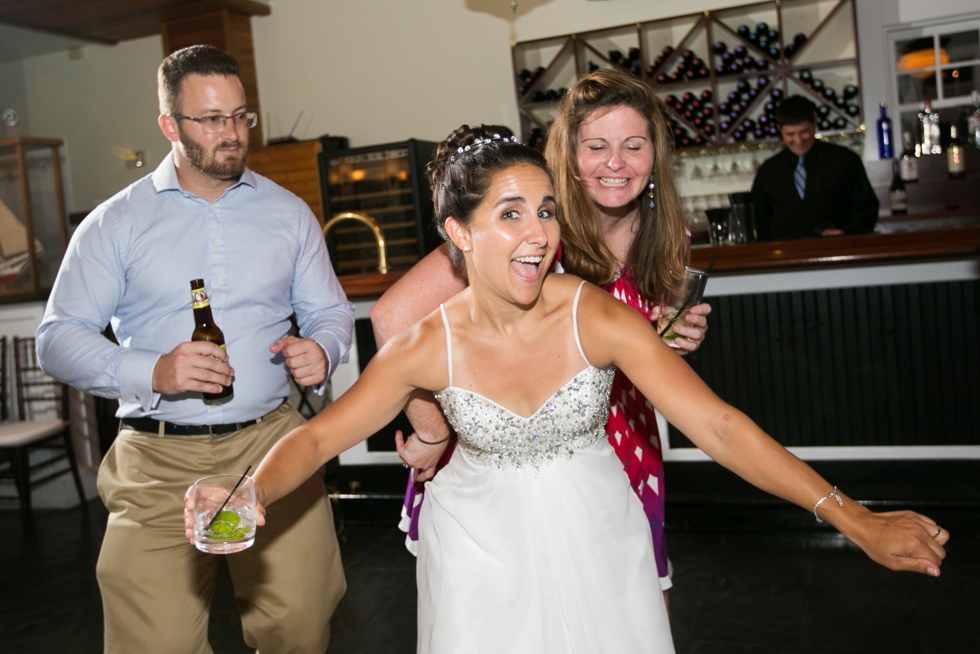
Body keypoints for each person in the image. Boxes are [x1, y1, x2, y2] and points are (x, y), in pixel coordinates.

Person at [208, 125, 947, 654]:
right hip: (475, 549)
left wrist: (856, 522)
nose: (540, 233)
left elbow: (717, 426)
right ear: (457, 234)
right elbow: (316, 436)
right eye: (510, 214)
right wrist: (247, 497)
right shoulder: (424, 348)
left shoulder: (593, 313)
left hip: (600, 535)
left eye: (547, 209)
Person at [36, 45, 352, 654]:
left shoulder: (288, 214)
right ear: (169, 126)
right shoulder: (113, 224)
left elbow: (330, 312)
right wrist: (153, 369)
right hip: (156, 464)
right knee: (153, 645)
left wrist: (325, 347)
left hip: (273, 448)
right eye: (211, 119)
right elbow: (58, 339)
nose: (232, 134)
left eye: (240, 116)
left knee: (299, 628)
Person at [371, 69, 709, 602]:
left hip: (625, 436)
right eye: (596, 146)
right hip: (521, 449)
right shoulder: (533, 223)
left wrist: (671, 331)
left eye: (633, 146)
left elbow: (637, 334)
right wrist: (433, 430)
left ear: (655, 155)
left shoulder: (668, 231)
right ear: (567, 156)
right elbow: (392, 318)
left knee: (633, 603)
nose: (616, 163)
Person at [751, 95, 879, 240]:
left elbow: (867, 207)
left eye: (804, 132)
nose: (798, 140)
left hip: (837, 251)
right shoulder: (768, 171)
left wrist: (846, 231)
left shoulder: (845, 159)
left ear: (815, 122)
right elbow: (759, 220)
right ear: (779, 129)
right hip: (786, 256)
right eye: (790, 134)